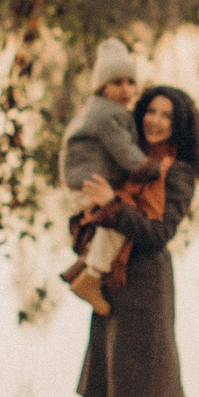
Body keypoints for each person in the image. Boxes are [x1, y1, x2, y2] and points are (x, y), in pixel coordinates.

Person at [75, 85, 199, 397]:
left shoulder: (179, 172)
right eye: (150, 111)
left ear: (181, 125)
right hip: (116, 281)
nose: (155, 121)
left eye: (166, 116)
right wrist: (91, 210)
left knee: (148, 388)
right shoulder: (133, 161)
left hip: (147, 287)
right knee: (118, 383)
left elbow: (158, 234)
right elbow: (107, 209)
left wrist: (113, 206)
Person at [59, 39, 160, 315]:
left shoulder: (97, 110)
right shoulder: (108, 117)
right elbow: (126, 154)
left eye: (130, 82)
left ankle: (83, 263)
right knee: (117, 220)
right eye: (117, 83)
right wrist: (154, 169)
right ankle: (91, 278)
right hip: (87, 183)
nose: (126, 90)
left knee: (109, 221)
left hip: (80, 181)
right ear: (102, 86)